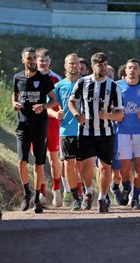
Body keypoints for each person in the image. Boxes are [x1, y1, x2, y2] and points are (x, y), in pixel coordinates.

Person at [68, 52, 124, 213]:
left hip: (106, 133)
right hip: (86, 132)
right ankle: (88, 192)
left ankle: (102, 198)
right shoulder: (82, 82)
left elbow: (120, 115)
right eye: (100, 65)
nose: (104, 68)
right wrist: (77, 115)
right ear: (93, 67)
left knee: (105, 168)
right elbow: (71, 101)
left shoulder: (113, 86)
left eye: (105, 64)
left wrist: (108, 115)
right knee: (86, 167)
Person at [13, 47, 58, 213]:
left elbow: (54, 101)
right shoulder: (17, 77)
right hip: (22, 126)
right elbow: (15, 93)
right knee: (21, 162)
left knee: (39, 164)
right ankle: (26, 193)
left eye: (34, 58)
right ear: (23, 60)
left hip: (40, 127)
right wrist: (14, 103)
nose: (32, 61)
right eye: (29, 58)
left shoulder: (44, 78)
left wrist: (43, 106)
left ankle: (37, 198)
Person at [112, 59, 140, 209]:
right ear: (125, 70)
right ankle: (126, 187)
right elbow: (111, 106)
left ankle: (135, 197)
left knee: (139, 167)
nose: (132, 70)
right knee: (124, 169)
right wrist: (115, 113)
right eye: (130, 68)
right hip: (122, 132)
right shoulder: (116, 86)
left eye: (135, 68)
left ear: (139, 71)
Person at [53, 53, 83, 210]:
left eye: (76, 63)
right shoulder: (59, 86)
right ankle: (75, 197)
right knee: (69, 165)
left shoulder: (86, 84)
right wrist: (55, 114)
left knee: (83, 166)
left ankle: (86, 191)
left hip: (85, 131)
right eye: (71, 63)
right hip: (66, 131)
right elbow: (49, 107)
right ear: (65, 66)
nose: (74, 66)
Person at [35, 48, 63, 207]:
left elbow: (58, 103)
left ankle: (57, 189)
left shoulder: (56, 79)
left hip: (52, 124)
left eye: (46, 60)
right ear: (36, 61)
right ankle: (40, 193)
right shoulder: (30, 78)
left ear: (50, 62)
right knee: (38, 161)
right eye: (41, 60)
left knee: (53, 159)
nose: (43, 63)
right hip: (36, 124)